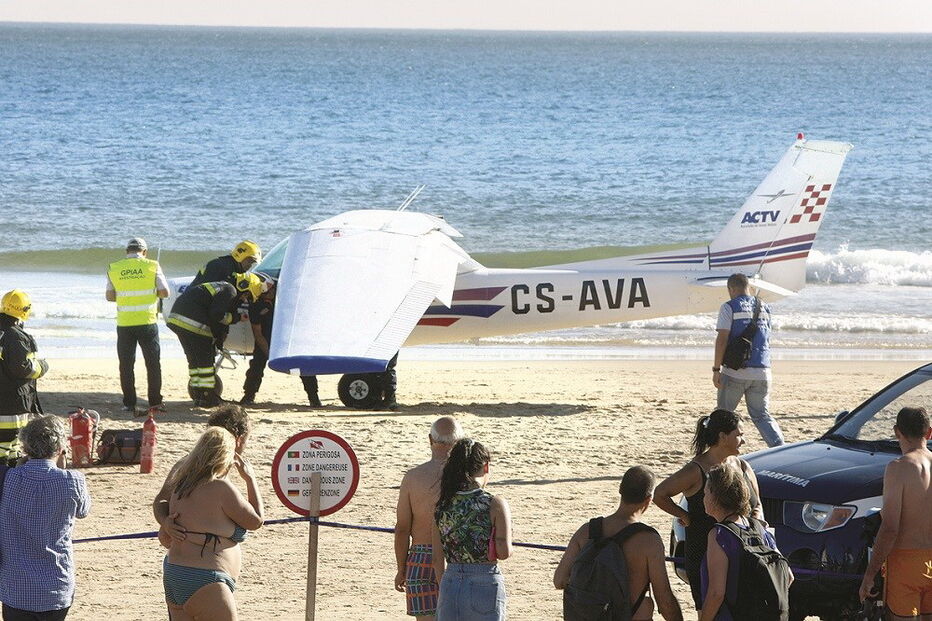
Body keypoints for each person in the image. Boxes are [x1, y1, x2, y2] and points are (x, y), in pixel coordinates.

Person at [653, 409, 763, 612]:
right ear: (722, 437)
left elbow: (756, 504)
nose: (744, 440)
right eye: (739, 435)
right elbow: (659, 494)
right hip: (704, 554)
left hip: (742, 553)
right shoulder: (696, 470)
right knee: (709, 608)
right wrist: (683, 515)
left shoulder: (742, 466)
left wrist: (756, 523)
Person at [554, 466, 684, 621]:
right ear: (649, 500)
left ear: (620, 491)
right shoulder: (648, 541)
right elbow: (664, 600)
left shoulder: (587, 530)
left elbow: (559, 580)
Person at [162, 426, 263, 620]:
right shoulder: (221, 488)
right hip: (207, 578)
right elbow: (256, 520)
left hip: (176, 573)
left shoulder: (181, 486)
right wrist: (250, 479)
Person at [0, 415, 91, 620]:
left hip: (16, 588)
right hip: (56, 586)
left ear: (24, 448)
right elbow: (84, 510)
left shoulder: (7, 478)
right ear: (60, 449)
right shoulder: (73, 481)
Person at [859, 406, 932, 619]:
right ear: (929, 433)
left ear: (896, 432)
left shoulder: (899, 468)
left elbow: (890, 528)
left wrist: (869, 575)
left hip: (905, 563)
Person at [431, 438, 512, 620]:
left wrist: (445, 585)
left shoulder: (442, 505)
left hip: (450, 580)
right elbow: (503, 552)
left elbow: (437, 557)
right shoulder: (494, 503)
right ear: (486, 467)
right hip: (484, 579)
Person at [394, 416, 466, 620]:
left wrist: (401, 568)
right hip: (456, 556)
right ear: (459, 443)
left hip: (420, 556)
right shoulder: (467, 477)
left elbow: (402, 529)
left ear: (430, 440)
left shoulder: (413, 477)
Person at [699, 464, 791, 621]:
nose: (704, 498)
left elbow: (716, 593)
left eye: (706, 493)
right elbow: (788, 576)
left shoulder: (719, 535)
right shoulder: (759, 528)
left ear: (716, 497)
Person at [153, 404, 252, 545]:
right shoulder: (187, 465)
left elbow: (161, 501)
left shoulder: (188, 464)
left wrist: (166, 522)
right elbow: (255, 521)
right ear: (239, 440)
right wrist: (166, 523)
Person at [167, 273, 263, 407]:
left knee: (195, 362)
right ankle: (209, 397)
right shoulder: (230, 290)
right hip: (194, 323)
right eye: (247, 295)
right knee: (206, 362)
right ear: (243, 287)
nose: (245, 300)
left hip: (176, 320)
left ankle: (199, 394)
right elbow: (217, 315)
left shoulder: (221, 286)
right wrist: (235, 318)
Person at [712, 272, 784, 447]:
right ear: (749, 287)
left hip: (736, 371)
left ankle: (719, 452)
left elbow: (722, 339)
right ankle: (779, 447)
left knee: (724, 415)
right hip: (763, 372)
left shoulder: (729, 307)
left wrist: (716, 369)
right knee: (762, 415)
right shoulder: (765, 308)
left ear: (731, 288)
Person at [105, 237, 170, 412]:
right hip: (147, 322)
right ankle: (155, 402)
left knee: (126, 364)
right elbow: (165, 292)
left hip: (125, 323)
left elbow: (110, 296)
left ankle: (129, 403)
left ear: (127, 252)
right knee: (153, 363)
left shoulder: (114, 268)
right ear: (145, 252)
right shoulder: (153, 265)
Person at [240, 275, 321, 407]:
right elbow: (258, 335)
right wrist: (269, 353)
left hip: (288, 337)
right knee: (257, 365)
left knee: (304, 364)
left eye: (273, 289)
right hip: (266, 338)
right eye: (268, 291)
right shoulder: (255, 306)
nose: (272, 292)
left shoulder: (285, 292)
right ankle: (249, 395)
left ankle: (314, 397)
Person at [0, 289, 49, 465]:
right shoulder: (16, 337)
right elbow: (24, 369)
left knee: (9, 452)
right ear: (25, 310)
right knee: (8, 450)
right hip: (11, 405)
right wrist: (43, 366)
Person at [190, 240, 262, 288]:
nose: (250, 266)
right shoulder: (218, 267)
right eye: (249, 261)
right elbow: (205, 295)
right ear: (240, 257)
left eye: (253, 263)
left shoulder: (231, 266)